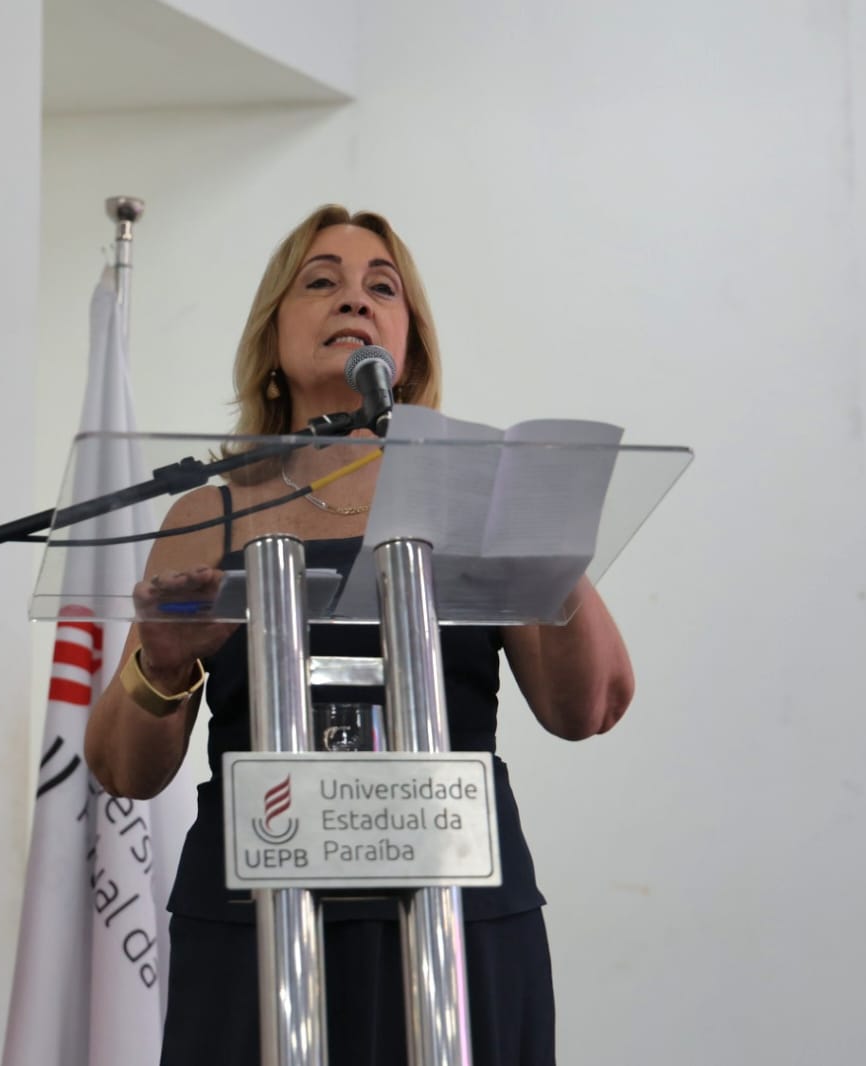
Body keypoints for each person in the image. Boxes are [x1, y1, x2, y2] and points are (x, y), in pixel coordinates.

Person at [84, 204, 634, 1066]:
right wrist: (161, 666)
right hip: (256, 923)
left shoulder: (474, 494)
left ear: (408, 345)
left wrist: (545, 543)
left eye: (383, 287)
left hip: (456, 918)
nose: (354, 299)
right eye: (321, 282)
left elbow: (588, 707)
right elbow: (123, 769)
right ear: (272, 336)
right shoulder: (207, 516)